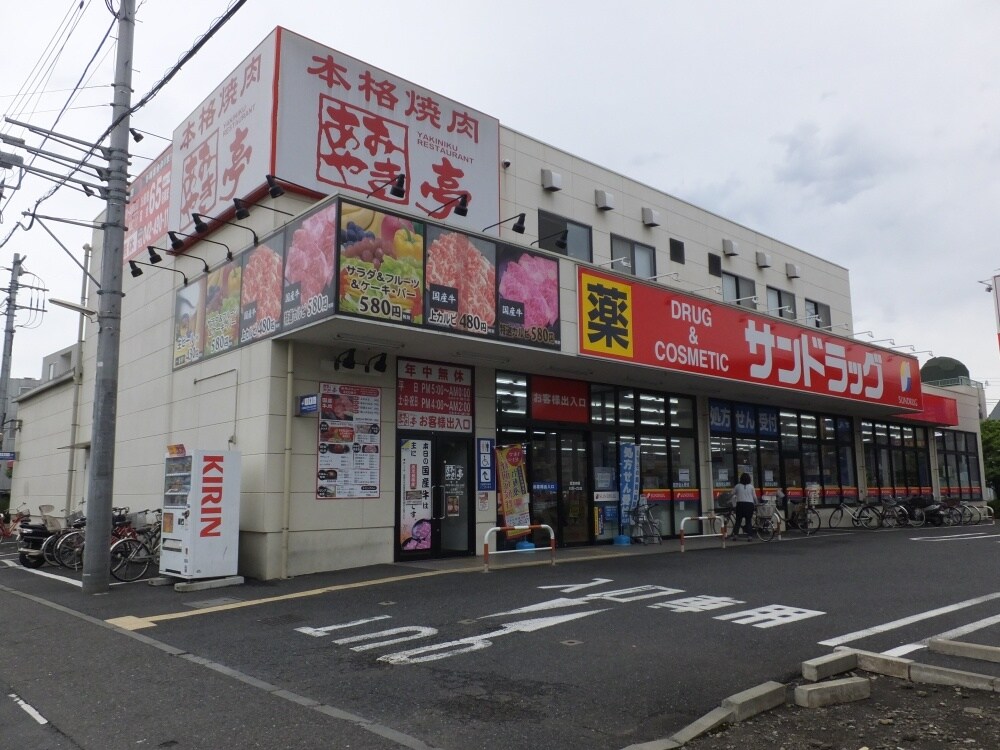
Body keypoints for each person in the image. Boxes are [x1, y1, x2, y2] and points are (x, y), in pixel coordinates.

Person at [731, 472, 759, 540]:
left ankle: (735, 535)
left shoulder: (737, 486)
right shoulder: (751, 487)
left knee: (738, 520)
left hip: (740, 504)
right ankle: (749, 536)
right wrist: (757, 504)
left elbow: (732, 493)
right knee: (748, 521)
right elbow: (754, 497)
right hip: (749, 505)